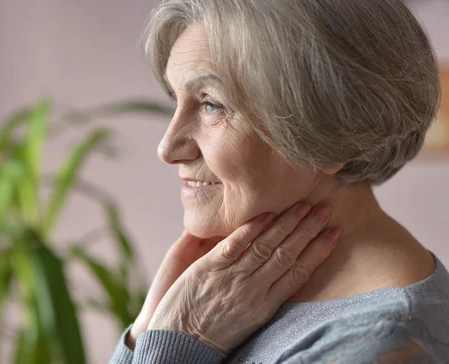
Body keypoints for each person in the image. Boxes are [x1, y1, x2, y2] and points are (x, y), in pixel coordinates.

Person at [110, 0, 449, 363]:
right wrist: (147, 332)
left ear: (331, 129)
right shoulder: (227, 295)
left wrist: (177, 343)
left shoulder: (377, 347)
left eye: (212, 104)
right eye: (176, 99)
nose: (168, 148)